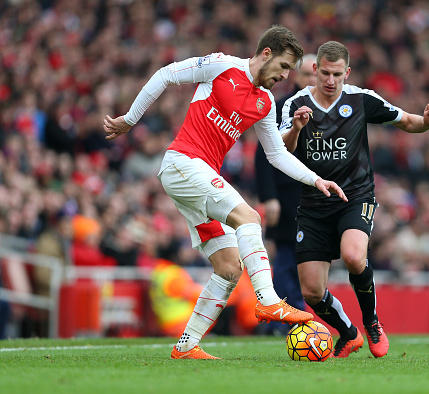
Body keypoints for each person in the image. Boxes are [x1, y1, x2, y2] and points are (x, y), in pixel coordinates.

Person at [103, 26, 347, 360]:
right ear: (266, 53)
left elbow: (276, 154)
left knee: (230, 267)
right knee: (249, 216)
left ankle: (187, 345)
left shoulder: (264, 103)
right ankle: (268, 301)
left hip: (197, 178)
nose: (285, 75)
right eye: (283, 66)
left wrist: (315, 180)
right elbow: (166, 74)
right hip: (183, 163)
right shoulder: (222, 66)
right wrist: (130, 119)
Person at [280, 41, 429, 358]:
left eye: (337, 74)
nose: (330, 80)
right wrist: (297, 128)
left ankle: (371, 324)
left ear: (347, 72)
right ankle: (349, 333)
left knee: (354, 257)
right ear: (314, 70)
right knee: (311, 292)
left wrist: (428, 123)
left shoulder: (360, 99)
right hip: (313, 205)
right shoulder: (295, 104)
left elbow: (408, 121)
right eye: (325, 73)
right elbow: (282, 150)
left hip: (355, 196)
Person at [254, 54, 317, 335]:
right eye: (307, 75)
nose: (313, 81)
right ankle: (292, 317)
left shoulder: (329, 110)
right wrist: (269, 197)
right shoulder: (280, 107)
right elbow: (261, 155)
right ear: (296, 77)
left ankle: (288, 318)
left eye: (317, 75)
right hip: (287, 195)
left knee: (309, 259)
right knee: (286, 260)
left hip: (316, 196)